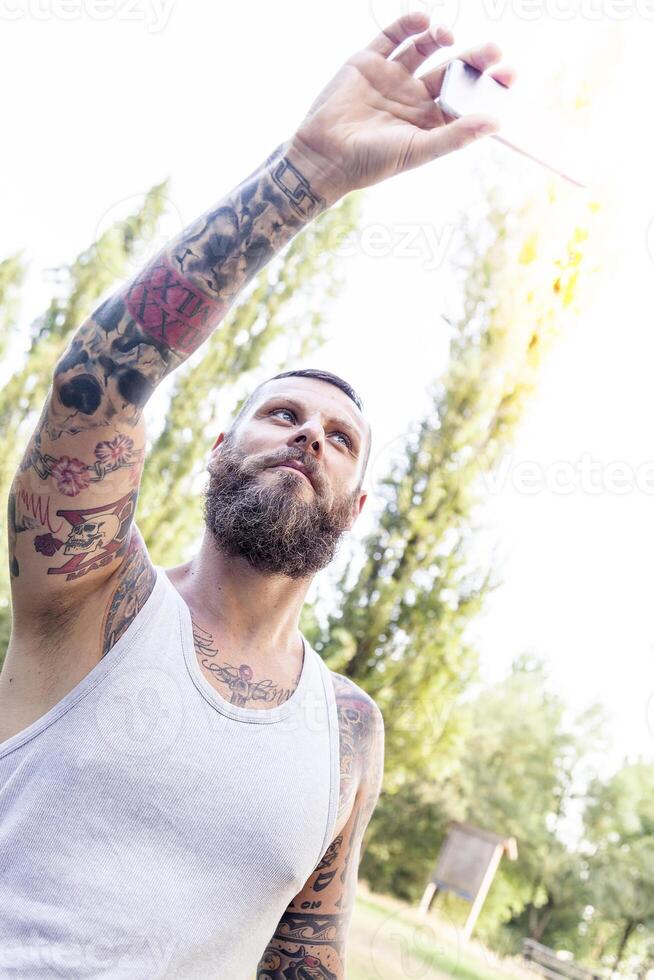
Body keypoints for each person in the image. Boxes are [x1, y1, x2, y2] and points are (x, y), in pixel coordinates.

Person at [0, 12, 515, 978]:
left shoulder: (349, 731)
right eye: (281, 414)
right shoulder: (92, 596)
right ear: (214, 451)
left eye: (340, 438)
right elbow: (98, 380)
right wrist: (308, 176)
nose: (310, 435)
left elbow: (303, 963)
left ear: (355, 509)